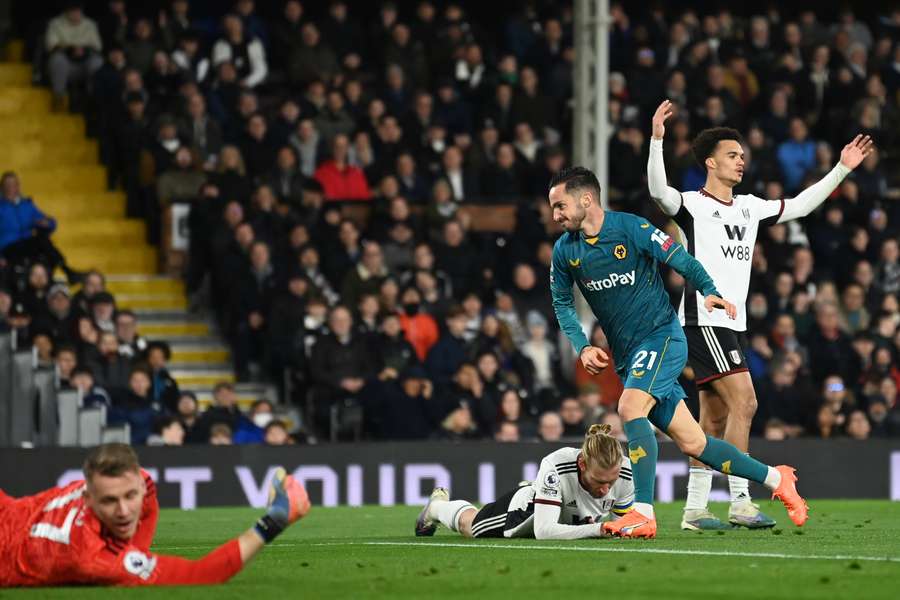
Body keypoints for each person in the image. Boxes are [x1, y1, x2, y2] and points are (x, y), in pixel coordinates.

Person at [647, 100, 873, 530]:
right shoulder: (693, 205)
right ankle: (740, 500)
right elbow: (659, 191)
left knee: (712, 417)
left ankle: (694, 509)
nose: (740, 161)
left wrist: (842, 168)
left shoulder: (750, 207)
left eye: (742, 156)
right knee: (746, 401)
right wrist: (657, 140)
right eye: (733, 155)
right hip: (703, 317)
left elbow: (801, 206)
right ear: (711, 163)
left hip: (733, 324)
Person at [548, 166, 807, 538]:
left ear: (586, 199)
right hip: (628, 356)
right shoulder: (565, 251)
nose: (555, 215)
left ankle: (642, 511)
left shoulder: (631, 229)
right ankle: (776, 478)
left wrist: (709, 289)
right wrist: (582, 345)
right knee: (695, 442)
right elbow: (561, 303)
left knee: (629, 408)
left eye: (560, 206)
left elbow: (680, 259)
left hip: (661, 338)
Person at [0, 443, 309, 586]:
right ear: (88, 499)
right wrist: (274, 520)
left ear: (139, 483)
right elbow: (202, 575)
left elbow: (147, 504)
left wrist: (137, 551)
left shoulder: (144, 483)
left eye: (129, 496)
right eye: (109, 501)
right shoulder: (93, 558)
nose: (123, 511)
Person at [415, 424, 634, 539]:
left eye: (611, 482)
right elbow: (544, 531)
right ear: (583, 465)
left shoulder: (625, 472)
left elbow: (618, 528)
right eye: (599, 481)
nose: (606, 490)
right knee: (471, 526)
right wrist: (599, 529)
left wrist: (622, 529)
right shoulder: (556, 464)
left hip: (573, 519)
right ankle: (435, 507)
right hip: (528, 512)